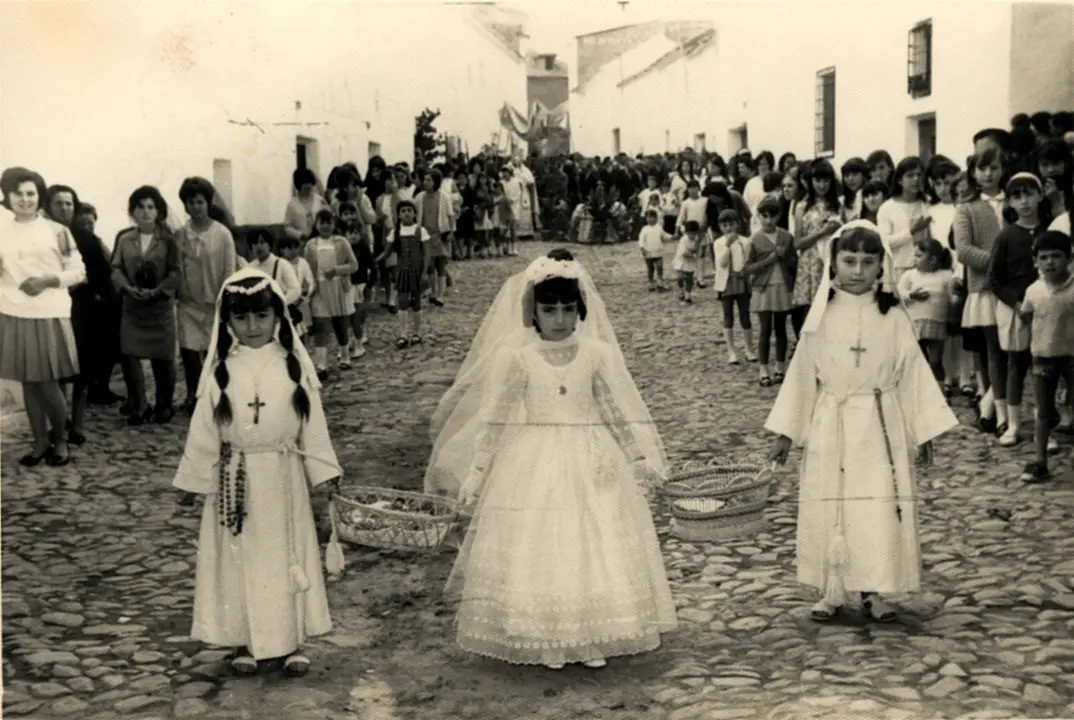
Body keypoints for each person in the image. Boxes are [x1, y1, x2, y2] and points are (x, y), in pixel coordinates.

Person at [423, 250, 676, 668]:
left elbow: (612, 408)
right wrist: (478, 472)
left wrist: (636, 457)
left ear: (579, 310)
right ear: (533, 312)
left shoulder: (594, 353)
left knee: (593, 538)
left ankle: (591, 631)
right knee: (543, 542)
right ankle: (547, 634)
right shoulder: (518, 358)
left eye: (566, 309)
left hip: (589, 455)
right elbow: (496, 419)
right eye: (549, 309)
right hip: (536, 457)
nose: (559, 319)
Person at [767, 220, 958, 624]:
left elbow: (913, 373)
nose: (857, 270)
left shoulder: (892, 318)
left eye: (867, 262)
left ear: (881, 266)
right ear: (833, 263)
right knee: (831, 505)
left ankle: (873, 590)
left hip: (879, 424)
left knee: (876, 508)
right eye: (849, 260)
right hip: (831, 422)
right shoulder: (820, 318)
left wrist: (922, 430)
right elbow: (802, 374)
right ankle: (830, 590)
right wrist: (786, 433)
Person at [173, 267, 340, 677]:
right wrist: (195, 480)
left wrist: (323, 471)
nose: (252, 326)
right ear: (227, 322)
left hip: (283, 479)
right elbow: (204, 430)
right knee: (239, 561)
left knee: (288, 557)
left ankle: (292, 640)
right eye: (241, 317)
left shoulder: (294, 367)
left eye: (261, 316)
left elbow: (312, 424)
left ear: (278, 316)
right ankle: (245, 640)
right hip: (236, 481)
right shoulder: (219, 372)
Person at [0, 168, 86, 466]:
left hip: (49, 312)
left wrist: (45, 281)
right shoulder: (2, 230)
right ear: (7, 197)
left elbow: (78, 272)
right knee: (28, 382)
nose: (24, 199)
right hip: (13, 312)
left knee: (47, 382)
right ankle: (38, 443)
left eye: (30, 193)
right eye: (18, 193)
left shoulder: (57, 231)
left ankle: (60, 441)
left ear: (39, 197)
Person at [1018, 231, 1074, 483]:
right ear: (1035, 261)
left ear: (1069, 258)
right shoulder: (1033, 291)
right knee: (1042, 411)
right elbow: (1027, 316)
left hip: (1072, 356)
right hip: (1042, 356)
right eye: (1044, 257)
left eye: (1056, 256)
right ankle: (1040, 461)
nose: (1050, 262)